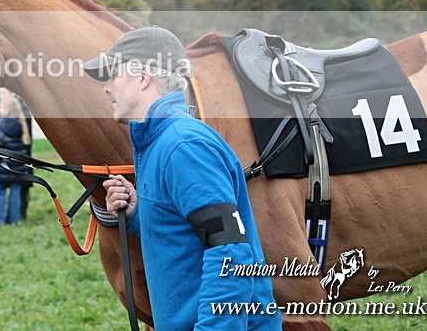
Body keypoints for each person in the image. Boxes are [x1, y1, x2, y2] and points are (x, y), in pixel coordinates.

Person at [84, 26, 280, 330]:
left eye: (113, 74)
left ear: (143, 76)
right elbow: (183, 230)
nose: (106, 87)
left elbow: (230, 253)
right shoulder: (159, 143)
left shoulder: (183, 147)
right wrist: (138, 213)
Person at [0, 90, 31, 227]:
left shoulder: (1, 124)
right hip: (17, 168)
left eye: (0, 107)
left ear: (6, 109)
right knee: (15, 192)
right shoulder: (20, 124)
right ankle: (14, 220)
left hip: (2, 167)